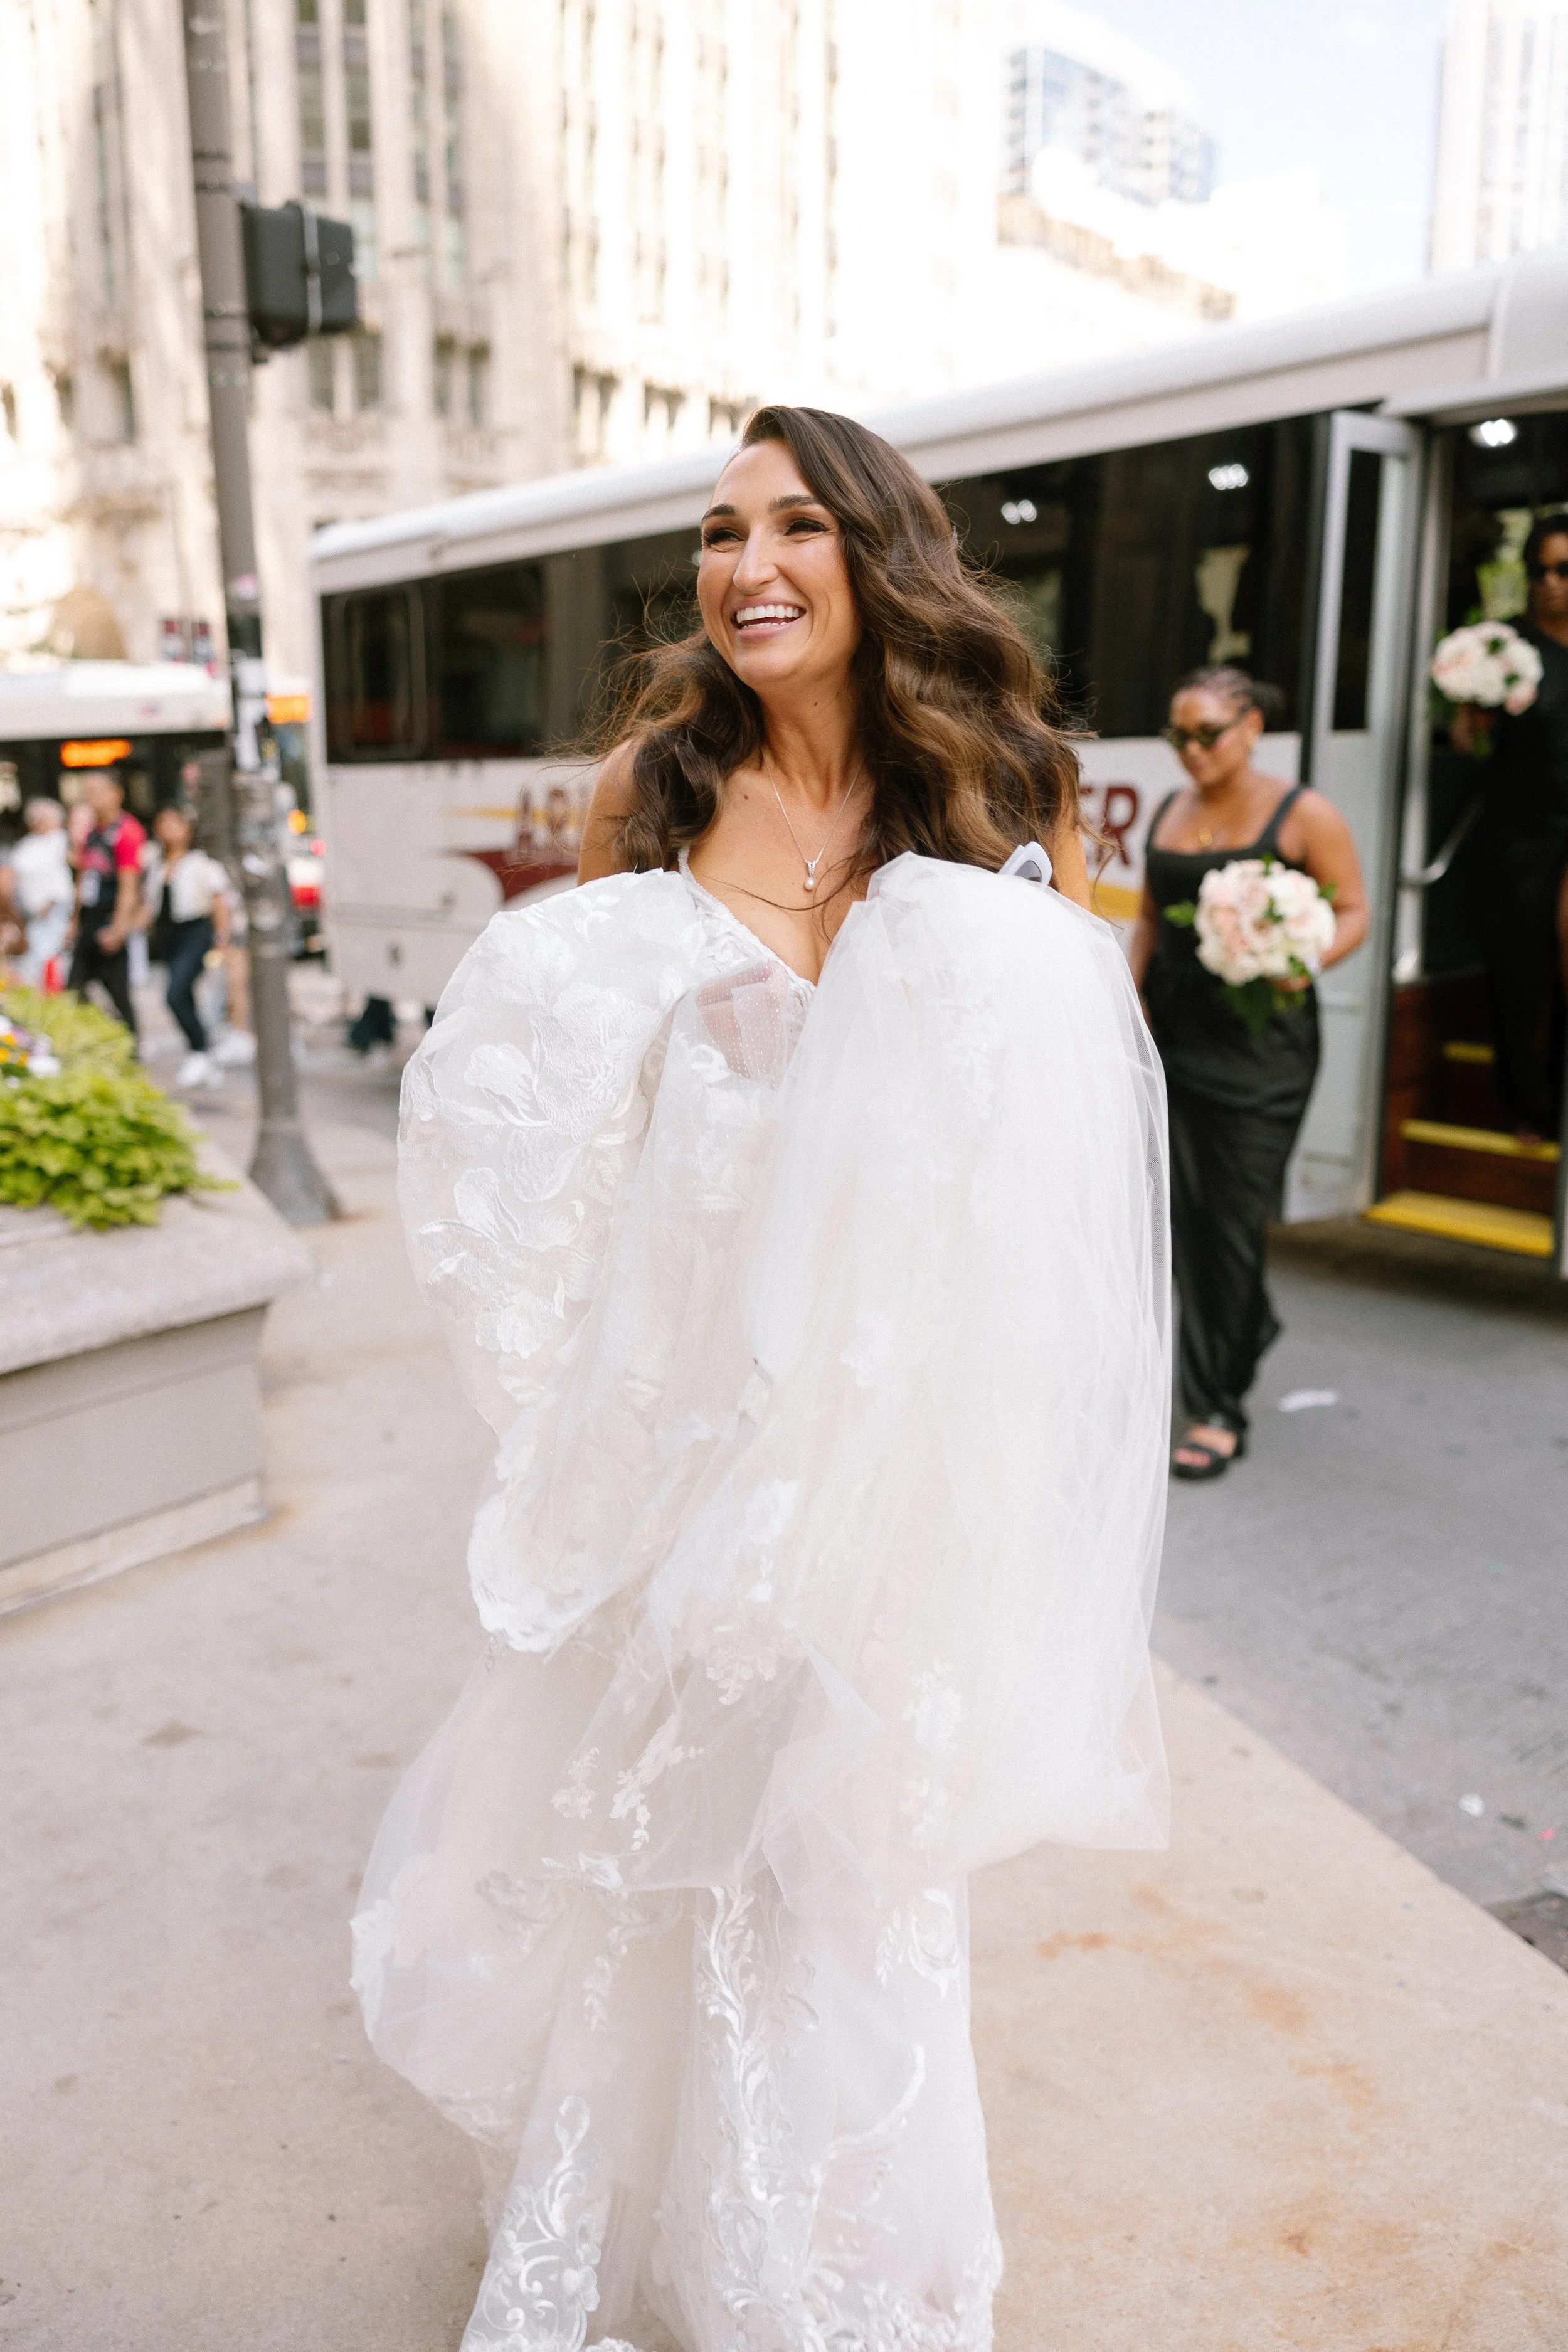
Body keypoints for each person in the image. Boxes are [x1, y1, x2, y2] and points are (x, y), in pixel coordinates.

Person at [352, 406, 1172, 2351]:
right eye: (720, 532)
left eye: (797, 522)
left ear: (877, 558)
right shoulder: (654, 793)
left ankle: (819, 2260)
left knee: (839, 1886)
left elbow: (1033, 1188)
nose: (748, 565)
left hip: (878, 1471)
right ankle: (639, 2241)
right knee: (647, 1878)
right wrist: (584, 1425)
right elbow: (553, 1141)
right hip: (670, 1459)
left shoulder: (977, 824)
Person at [1129, 667, 1368, 1482]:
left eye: (1207, 734)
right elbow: (1153, 921)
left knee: (1228, 1218)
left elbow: (1356, 910)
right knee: (1187, 1218)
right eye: (1178, 736)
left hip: (1262, 1056)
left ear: (1253, 726)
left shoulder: (1305, 813)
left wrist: (1305, 960)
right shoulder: (1171, 807)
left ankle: (1218, 1406)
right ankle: (1245, 1324)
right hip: (1176, 1042)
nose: (1190, 751)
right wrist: (1123, 1010)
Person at [1453, 511, 1568, 1141]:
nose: (1549, 583)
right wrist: (1470, 718)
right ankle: (1527, 1104)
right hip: (1519, 828)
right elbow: (1467, 741)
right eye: (1538, 570)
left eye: (1563, 570)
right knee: (1518, 965)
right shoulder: (1504, 647)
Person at [139, 804, 232, 1088]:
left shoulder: (202, 864)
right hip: (169, 935)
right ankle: (202, 1052)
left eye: (174, 824)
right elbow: (150, 906)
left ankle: (201, 1049)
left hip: (196, 931)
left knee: (175, 994)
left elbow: (219, 902)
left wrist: (222, 938)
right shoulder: (156, 865)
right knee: (184, 995)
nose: (168, 831)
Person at [66, 770, 147, 1041]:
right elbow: (84, 878)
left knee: (118, 991)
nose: (92, 798)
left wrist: (119, 927)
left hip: (110, 919)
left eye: (98, 792)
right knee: (74, 989)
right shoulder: (92, 833)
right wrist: (74, 921)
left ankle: (132, 1048)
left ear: (117, 794)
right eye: (88, 792)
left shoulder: (127, 831)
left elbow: (129, 884)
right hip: (90, 918)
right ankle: (104, 1037)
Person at [7, 798, 73, 988]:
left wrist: (50, 904)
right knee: (35, 961)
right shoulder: (26, 845)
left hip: (56, 910)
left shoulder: (61, 840)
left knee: (53, 958)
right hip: (30, 913)